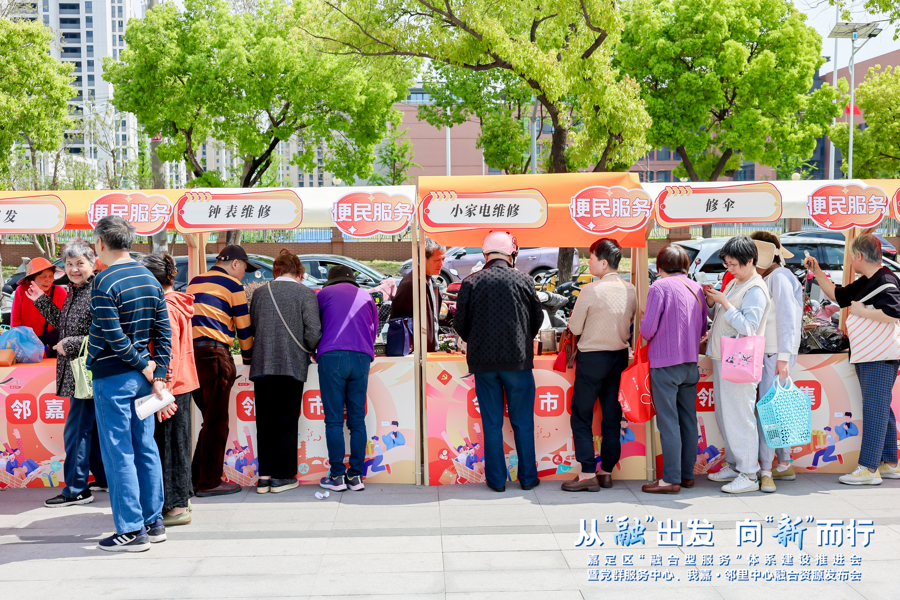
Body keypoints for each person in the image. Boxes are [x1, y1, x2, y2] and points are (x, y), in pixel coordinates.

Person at [87, 215, 174, 552]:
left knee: (118, 451)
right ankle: (154, 522)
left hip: (114, 376)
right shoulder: (150, 278)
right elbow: (163, 332)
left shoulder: (104, 280)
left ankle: (131, 529)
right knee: (145, 448)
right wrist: (157, 372)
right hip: (143, 380)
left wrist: (147, 368)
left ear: (100, 243)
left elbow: (113, 336)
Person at [805, 233, 900, 485]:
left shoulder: (885, 280)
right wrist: (817, 270)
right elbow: (837, 295)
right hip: (871, 355)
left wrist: (862, 311)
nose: (849, 261)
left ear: (858, 256)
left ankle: (868, 469)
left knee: (875, 409)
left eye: (850, 256)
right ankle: (890, 463)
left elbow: (895, 312)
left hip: (879, 356)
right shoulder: (868, 280)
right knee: (881, 408)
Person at [453, 231, 543, 493]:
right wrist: (523, 337)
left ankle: (496, 481)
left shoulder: (471, 282)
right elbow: (537, 319)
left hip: (484, 364)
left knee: (491, 423)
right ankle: (528, 478)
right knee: (522, 422)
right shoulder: (524, 280)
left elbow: (460, 324)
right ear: (511, 253)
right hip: (518, 361)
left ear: (485, 254)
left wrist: (477, 340)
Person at [27, 240, 108, 507]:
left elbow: (105, 333)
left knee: (77, 432)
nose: (74, 269)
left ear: (93, 263)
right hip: (79, 373)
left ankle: (76, 489)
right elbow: (66, 324)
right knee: (88, 430)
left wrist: (72, 344)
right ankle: (104, 478)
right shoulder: (76, 290)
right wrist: (41, 301)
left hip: (87, 373)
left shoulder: (96, 290)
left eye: (80, 263)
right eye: (69, 264)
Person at [562, 238, 636, 492]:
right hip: (619, 358)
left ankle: (586, 472)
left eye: (591, 257)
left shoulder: (591, 290)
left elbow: (574, 328)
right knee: (612, 417)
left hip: (592, 358)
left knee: (581, 414)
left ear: (603, 263)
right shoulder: (630, 289)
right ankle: (606, 472)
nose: (589, 262)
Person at [249, 250, 321, 494]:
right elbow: (313, 333)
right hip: (292, 365)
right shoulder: (306, 294)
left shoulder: (260, 293)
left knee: (265, 422)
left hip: (262, 364)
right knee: (286, 421)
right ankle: (281, 477)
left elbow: (254, 326)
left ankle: (264, 478)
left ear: (275, 271)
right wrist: (309, 347)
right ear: (299, 272)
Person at [704, 236, 771, 494]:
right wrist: (714, 302)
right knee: (726, 416)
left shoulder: (756, 289)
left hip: (740, 360)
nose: (729, 269)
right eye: (727, 264)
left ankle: (749, 473)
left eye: (733, 264)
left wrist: (724, 302)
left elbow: (749, 327)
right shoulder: (736, 282)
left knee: (740, 417)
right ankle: (735, 465)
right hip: (727, 357)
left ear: (750, 260)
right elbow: (725, 316)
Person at [186, 245, 255, 497]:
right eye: (244, 268)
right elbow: (244, 329)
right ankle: (210, 482)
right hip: (215, 355)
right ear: (235, 264)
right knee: (216, 422)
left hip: (191, 356)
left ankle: (195, 478)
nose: (244, 274)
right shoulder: (233, 285)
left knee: (209, 420)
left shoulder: (195, 282)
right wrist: (248, 359)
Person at [639, 244, 707, 494]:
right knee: (688, 420)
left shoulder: (659, 287)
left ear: (659, 267)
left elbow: (647, 331)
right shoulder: (696, 288)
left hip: (665, 365)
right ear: (686, 266)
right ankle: (687, 475)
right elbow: (702, 329)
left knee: (668, 422)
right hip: (690, 365)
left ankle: (670, 479)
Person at [139, 252, 198, 526]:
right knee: (176, 443)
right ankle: (180, 499)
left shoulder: (167, 307)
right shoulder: (176, 302)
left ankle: (176, 508)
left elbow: (169, 353)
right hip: (178, 384)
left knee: (170, 446)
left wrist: (164, 393)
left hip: (169, 387)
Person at [316, 265, 379, 492]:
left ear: (331, 280)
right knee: (357, 421)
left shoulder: (322, 294)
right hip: (361, 357)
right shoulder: (367, 296)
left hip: (331, 356)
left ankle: (336, 476)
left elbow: (314, 328)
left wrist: (315, 352)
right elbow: (374, 330)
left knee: (334, 421)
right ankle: (355, 477)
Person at [749, 232, 803, 493]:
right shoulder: (778, 275)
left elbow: (786, 319)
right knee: (776, 410)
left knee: (767, 412)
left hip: (774, 353)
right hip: (775, 353)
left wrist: (783, 357)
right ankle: (783, 463)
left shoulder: (778, 277)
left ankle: (767, 471)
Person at [390, 238, 446, 352]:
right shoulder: (411, 284)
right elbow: (397, 321)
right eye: (437, 260)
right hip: (416, 354)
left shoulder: (430, 281)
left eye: (443, 259)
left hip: (429, 351)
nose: (441, 264)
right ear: (423, 259)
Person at [12, 257, 67, 357]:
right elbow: (15, 322)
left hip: (53, 345)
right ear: (32, 278)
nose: (48, 280)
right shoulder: (21, 291)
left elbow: (65, 323)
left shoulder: (60, 291)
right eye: (43, 276)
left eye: (51, 275)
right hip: (27, 345)